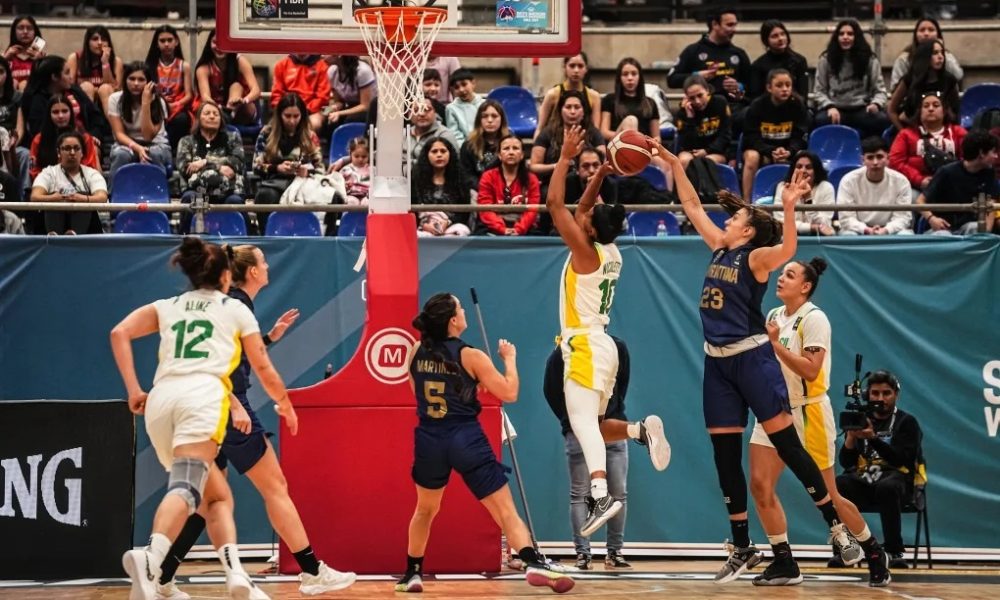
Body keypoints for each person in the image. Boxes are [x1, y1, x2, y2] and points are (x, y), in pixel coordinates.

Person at [655, 138, 883, 584]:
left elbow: (787, 250)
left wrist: (789, 208)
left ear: (747, 230)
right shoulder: (720, 246)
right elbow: (690, 203)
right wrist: (670, 163)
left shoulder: (757, 258)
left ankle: (838, 528)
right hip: (717, 363)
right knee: (726, 458)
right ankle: (744, 545)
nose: (728, 217)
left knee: (792, 452)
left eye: (736, 217)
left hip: (755, 363)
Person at [152, 244, 357, 598]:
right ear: (252, 273)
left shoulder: (235, 303)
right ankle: (312, 572)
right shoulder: (232, 305)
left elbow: (230, 356)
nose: (267, 264)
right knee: (274, 487)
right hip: (223, 406)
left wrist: (268, 338)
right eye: (262, 260)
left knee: (206, 501)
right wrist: (234, 403)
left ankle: (163, 576)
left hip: (208, 405)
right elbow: (219, 366)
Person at [110, 237, 292, 600]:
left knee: (217, 497)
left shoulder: (169, 304)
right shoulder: (234, 308)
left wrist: (133, 390)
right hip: (202, 398)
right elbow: (263, 368)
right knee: (187, 486)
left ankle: (237, 575)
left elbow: (119, 333)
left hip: (161, 400)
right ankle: (151, 557)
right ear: (227, 275)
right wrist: (285, 403)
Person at [395, 293, 575, 594]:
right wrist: (510, 360)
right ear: (453, 320)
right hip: (465, 437)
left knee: (424, 510)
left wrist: (464, 389)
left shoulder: (415, 350)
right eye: (460, 308)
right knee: (505, 510)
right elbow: (509, 392)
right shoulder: (471, 355)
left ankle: (411, 574)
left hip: (429, 438)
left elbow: (417, 390)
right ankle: (532, 563)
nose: (464, 312)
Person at [547, 125, 670, 539]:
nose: (581, 216)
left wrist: (565, 158)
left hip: (583, 346)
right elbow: (584, 209)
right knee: (599, 425)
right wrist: (599, 175)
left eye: (586, 217)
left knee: (582, 427)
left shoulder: (584, 252)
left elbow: (553, 204)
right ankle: (639, 430)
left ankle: (600, 495)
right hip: (605, 346)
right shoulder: (609, 249)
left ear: (591, 229)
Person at [748, 257, 890, 586]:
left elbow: (810, 370)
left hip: (808, 412)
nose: (781, 278)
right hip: (773, 410)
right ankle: (784, 561)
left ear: (806, 286)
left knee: (830, 495)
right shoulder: (772, 316)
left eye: (790, 275)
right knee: (759, 485)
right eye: (781, 273)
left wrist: (772, 345)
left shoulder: (815, 319)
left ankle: (871, 549)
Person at [544, 335, 634, 570]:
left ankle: (614, 552)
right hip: (580, 430)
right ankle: (583, 553)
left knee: (618, 493)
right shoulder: (564, 351)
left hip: (612, 428)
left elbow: (621, 382)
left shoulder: (616, 346)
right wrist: (571, 419)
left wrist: (612, 413)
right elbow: (551, 390)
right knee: (581, 494)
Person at [836, 370, 923, 570]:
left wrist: (873, 438)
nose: (880, 398)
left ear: (896, 395)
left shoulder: (906, 422)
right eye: (875, 394)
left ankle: (893, 550)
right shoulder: (861, 418)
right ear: (868, 395)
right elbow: (846, 462)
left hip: (898, 480)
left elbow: (902, 459)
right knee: (839, 484)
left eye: (886, 393)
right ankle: (846, 550)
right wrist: (851, 438)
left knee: (888, 487)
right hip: (866, 479)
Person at [667, 10, 751, 128]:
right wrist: (697, 76)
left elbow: (751, 85)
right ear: (715, 25)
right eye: (729, 25)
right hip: (700, 111)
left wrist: (739, 87)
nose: (734, 29)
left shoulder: (739, 54)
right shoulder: (693, 51)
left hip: (732, 109)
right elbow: (671, 79)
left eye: (735, 25)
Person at [252, 93, 324, 231]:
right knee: (265, 195)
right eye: (288, 116)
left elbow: (320, 168)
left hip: (302, 183)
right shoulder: (266, 133)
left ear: (302, 115)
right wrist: (277, 168)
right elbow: (256, 166)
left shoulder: (310, 136)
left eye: (296, 116)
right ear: (280, 115)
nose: (292, 121)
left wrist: (306, 170)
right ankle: (267, 235)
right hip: (274, 182)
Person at [812, 19, 890, 139]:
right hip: (835, 109)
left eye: (850, 34)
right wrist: (829, 106)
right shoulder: (826, 59)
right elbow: (819, 91)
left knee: (882, 120)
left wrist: (876, 104)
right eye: (841, 34)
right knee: (819, 120)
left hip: (861, 109)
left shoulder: (870, 59)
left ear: (857, 37)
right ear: (836, 37)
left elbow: (880, 91)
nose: (845, 37)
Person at [175, 102, 246, 233]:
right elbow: (186, 169)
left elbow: (237, 163)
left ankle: (239, 243)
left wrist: (204, 162)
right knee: (189, 198)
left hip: (228, 192)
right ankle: (184, 241)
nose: (212, 117)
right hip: (196, 191)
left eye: (216, 114)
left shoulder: (233, 138)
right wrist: (221, 167)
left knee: (235, 201)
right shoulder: (186, 141)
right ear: (198, 119)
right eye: (207, 113)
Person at [741, 69, 809, 200]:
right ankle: (746, 201)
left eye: (788, 85)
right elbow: (750, 137)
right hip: (763, 150)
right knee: (751, 157)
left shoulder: (798, 105)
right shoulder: (757, 106)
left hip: (788, 150)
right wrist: (770, 151)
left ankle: (800, 200)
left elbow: (801, 136)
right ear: (769, 88)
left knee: (803, 157)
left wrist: (789, 151)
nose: (785, 89)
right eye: (779, 85)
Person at [917, 129, 999, 235]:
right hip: (941, 228)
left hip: (967, 227)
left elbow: (990, 206)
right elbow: (919, 201)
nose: (996, 156)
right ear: (982, 153)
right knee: (944, 235)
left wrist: (985, 233)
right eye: (993, 152)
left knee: (977, 229)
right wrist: (932, 219)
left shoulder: (989, 174)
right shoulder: (946, 172)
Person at [19, 55, 109, 149]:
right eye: (67, 73)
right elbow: (41, 132)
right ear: (54, 77)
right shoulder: (37, 100)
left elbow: (96, 117)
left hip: (86, 140)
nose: (71, 77)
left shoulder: (74, 91)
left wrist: (93, 136)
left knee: (93, 148)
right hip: (55, 147)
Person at [30, 131, 107, 234]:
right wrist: (54, 198)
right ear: (58, 152)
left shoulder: (92, 174)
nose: (72, 152)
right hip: (52, 223)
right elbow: (35, 197)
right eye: (67, 148)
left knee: (83, 202)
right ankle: (54, 236)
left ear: (82, 152)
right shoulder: (48, 173)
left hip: (86, 229)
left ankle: (74, 236)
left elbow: (102, 197)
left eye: (76, 148)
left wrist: (82, 198)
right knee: (51, 202)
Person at [107, 62, 173, 184]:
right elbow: (119, 134)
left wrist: (145, 103)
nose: (136, 84)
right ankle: (113, 196)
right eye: (131, 79)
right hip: (127, 143)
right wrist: (137, 148)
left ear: (149, 82)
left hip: (155, 144)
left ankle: (158, 196)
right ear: (125, 80)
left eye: (141, 79)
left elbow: (148, 135)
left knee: (152, 154)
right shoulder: (115, 99)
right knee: (121, 155)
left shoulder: (159, 103)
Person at [889, 92, 965, 194]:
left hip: (953, 184)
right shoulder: (906, 134)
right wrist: (919, 180)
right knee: (910, 199)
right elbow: (895, 162)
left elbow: (969, 159)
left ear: (944, 111)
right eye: (926, 106)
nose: (930, 109)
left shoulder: (958, 132)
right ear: (920, 112)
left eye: (936, 105)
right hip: (916, 187)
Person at [838, 137, 913, 235]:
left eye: (879, 157)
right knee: (848, 235)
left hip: (890, 230)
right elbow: (846, 218)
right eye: (870, 157)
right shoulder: (848, 181)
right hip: (859, 230)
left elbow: (903, 217)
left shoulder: (901, 181)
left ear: (888, 158)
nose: (875, 162)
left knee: (905, 235)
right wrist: (866, 229)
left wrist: (886, 230)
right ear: (862, 160)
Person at [530, 90, 605, 189]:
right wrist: (557, 166)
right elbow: (534, 166)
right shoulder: (547, 133)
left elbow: (603, 161)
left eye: (577, 107)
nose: (572, 112)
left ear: (583, 111)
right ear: (560, 110)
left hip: (586, 184)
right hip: (553, 184)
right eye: (568, 107)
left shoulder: (593, 133)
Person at [887, 40, 960, 132]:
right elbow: (891, 110)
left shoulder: (949, 80)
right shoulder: (910, 79)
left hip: (942, 131)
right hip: (913, 130)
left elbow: (956, 111)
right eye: (935, 53)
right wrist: (903, 132)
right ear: (925, 57)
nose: (940, 57)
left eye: (942, 52)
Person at [476, 134, 540, 236]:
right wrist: (502, 229)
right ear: (499, 155)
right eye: (506, 149)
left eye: (515, 148)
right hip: (494, 226)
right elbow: (485, 209)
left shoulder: (532, 179)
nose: (511, 152)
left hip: (523, 226)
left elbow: (532, 210)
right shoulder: (488, 176)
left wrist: (519, 229)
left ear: (522, 155)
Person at [194, 30, 260, 125]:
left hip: (241, 109)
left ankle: (230, 111)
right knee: (209, 111)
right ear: (209, 44)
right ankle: (227, 114)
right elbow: (205, 97)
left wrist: (243, 101)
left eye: (223, 42)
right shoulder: (203, 68)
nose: (219, 47)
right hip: (215, 110)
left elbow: (256, 90)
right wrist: (219, 109)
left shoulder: (240, 61)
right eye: (215, 42)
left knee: (236, 86)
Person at [29, 94, 101, 181]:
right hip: (47, 186)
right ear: (49, 115)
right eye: (55, 112)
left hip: (80, 184)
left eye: (64, 111)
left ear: (71, 112)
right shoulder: (38, 140)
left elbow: (90, 168)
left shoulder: (84, 138)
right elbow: (34, 170)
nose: (60, 116)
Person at [145, 25, 194, 152]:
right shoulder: (150, 66)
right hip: (156, 105)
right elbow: (147, 92)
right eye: (162, 41)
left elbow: (189, 95)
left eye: (169, 40)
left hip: (177, 107)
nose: (166, 44)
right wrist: (162, 102)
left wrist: (175, 105)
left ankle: (175, 151)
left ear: (176, 42)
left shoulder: (184, 66)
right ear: (157, 43)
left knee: (182, 119)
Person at [412, 137, 471, 236]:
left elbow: (465, 211)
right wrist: (425, 225)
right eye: (434, 151)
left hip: (451, 225)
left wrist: (447, 222)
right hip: (424, 226)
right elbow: (412, 209)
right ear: (427, 155)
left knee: (462, 230)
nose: (439, 155)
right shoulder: (416, 178)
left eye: (443, 151)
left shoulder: (460, 177)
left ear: (450, 154)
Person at [535, 53, 602, 138]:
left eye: (580, 66)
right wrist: (536, 147)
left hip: (584, 142)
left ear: (586, 69)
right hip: (555, 143)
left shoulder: (594, 96)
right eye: (572, 66)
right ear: (565, 67)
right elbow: (540, 128)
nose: (576, 70)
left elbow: (596, 130)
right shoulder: (552, 94)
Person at [889, 18, 963, 92]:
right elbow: (895, 88)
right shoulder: (904, 59)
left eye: (931, 30)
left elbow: (958, 76)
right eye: (922, 30)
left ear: (938, 35)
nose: (926, 34)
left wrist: (941, 51)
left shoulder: (946, 55)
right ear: (915, 35)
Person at [773, 150, 835, 236]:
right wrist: (811, 227)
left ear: (816, 170)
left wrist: (808, 200)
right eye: (799, 166)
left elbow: (825, 225)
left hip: (818, 237)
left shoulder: (826, 188)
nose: (803, 170)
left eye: (808, 167)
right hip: (789, 235)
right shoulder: (783, 187)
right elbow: (781, 222)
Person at [675, 74, 731, 169]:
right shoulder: (683, 112)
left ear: (707, 91)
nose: (697, 101)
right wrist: (690, 118)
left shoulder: (720, 103)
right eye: (692, 98)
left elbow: (725, 135)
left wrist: (707, 151)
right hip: (692, 151)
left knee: (706, 162)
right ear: (686, 97)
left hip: (716, 151)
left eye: (700, 95)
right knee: (683, 161)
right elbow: (685, 144)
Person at [600, 58, 660, 142]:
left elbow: (657, 137)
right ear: (619, 78)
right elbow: (604, 132)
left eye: (634, 74)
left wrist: (646, 140)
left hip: (643, 147)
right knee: (631, 121)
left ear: (640, 77)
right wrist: (628, 135)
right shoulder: (609, 100)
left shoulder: (650, 103)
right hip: (617, 144)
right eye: (625, 74)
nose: (630, 78)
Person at [66, 25, 122, 114]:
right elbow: (70, 86)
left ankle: (112, 126)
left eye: (103, 39)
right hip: (83, 99)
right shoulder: (75, 58)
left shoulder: (116, 61)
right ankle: (90, 124)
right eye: (95, 39)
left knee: (105, 89)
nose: (100, 43)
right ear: (87, 42)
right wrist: (94, 90)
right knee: (87, 87)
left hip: (108, 100)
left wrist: (105, 63)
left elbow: (116, 89)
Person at [749, 21, 809, 101]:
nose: (780, 39)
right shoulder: (758, 65)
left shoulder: (799, 61)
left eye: (783, 34)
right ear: (766, 41)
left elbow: (803, 94)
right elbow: (755, 97)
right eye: (774, 36)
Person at [271, 54, 331, 132]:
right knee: (272, 127)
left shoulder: (322, 66)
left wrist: (303, 110)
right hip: (287, 109)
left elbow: (323, 97)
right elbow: (276, 95)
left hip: (313, 112)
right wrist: (284, 109)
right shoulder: (281, 65)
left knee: (314, 123)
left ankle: (307, 144)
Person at [459, 99, 509, 191]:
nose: (489, 120)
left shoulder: (510, 142)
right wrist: (484, 188)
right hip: (478, 190)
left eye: (494, 116)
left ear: (502, 119)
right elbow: (467, 175)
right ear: (479, 120)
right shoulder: (468, 145)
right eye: (485, 116)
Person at [325, 55, 376, 130]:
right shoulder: (332, 71)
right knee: (328, 121)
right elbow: (339, 102)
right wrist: (333, 108)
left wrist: (339, 113)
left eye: (326, 53)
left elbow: (365, 106)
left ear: (339, 55)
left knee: (349, 120)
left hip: (370, 109)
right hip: (351, 107)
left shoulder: (362, 71)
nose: (322, 55)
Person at [409, 97, 459, 164]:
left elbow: (454, 164)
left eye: (427, 109)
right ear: (409, 114)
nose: (422, 114)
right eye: (416, 110)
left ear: (435, 113)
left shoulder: (445, 135)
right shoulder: (403, 134)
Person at [444, 68, 484, 146]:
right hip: (465, 149)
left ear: (473, 83)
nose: (461, 89)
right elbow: (455, 134)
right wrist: (465, 149)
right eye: (456, 87)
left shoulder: (485, 104)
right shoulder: (451, 108)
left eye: (464, 84)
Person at [5, 16, 45, 90]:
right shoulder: (6, 57)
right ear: (14, 32)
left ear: (35, 32)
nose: (25, 32)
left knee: (24, 84)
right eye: (20, 28)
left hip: (34, 97)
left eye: (29, 28)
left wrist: (41, 62)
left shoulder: (43, 58)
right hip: (11, 97)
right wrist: (4, 59)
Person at [340, 137, 371, 205]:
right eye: (357, 156)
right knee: (351, 202)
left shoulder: (372, 169)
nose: (360, 159)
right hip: (351, 195)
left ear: (368, 155)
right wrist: (344, 186)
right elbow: (339, 184)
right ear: (351, 154)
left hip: (367, 196)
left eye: (364, 156)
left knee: (368, 203)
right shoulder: (345, 169)